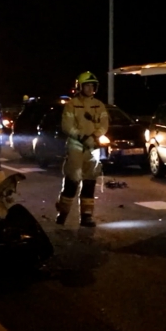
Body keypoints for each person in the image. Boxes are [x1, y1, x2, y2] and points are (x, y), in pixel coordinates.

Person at [56, 71, 109, 227]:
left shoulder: (99, 105)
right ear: (80, 87)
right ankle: (63, 212)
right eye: (87, 85)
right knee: (72, 180)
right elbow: (67, 126)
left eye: (93, 85)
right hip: (76, 147)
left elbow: (104, 125)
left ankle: (86, 215)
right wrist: (82, 137)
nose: (90, 88)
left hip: (93, 147)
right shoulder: (72, 105)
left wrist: (94, 136)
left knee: (90, 181)